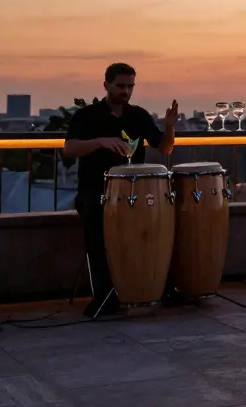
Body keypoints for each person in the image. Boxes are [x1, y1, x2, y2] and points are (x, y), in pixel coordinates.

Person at [62, 63, 178, 319]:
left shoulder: (138, 116)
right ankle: (105, 295)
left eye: (130, 86)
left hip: (135, 193)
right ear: (106, 85)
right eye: (121, 86)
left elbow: (165, 148)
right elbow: (69, 149)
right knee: (96, 222)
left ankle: (155, 286)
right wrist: (100, 142)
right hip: (96, 190)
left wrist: (169, 126)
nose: (126, 91)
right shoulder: (88, 116)